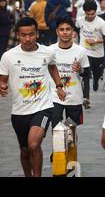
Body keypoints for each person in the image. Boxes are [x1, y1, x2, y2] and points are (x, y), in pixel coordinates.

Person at [0, 17, 66, 177]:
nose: (27, 39)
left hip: (43, 107)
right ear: (17, 35)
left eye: (31, 34)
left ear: (37, 33)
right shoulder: (8, 56)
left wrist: (58, 86)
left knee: (34, 144)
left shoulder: (48, 52)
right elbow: (2, 80)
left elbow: (52, 66)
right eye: (23, 35)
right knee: (24, 150)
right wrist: (2, 87)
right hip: (19, 111)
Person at [50, 17, 90, 126]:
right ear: (57, 31)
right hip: (54, 97)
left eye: (68, 29)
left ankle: (70, 142)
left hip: (74, 97)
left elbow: (87, 74)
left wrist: (80, 69)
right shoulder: (50, 50)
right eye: (61, 29)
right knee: (56, 129)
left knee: (70, 132)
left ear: (73, 31)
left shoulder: (81, 51)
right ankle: (59, 143)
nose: (65, 33)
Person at [75, 0, 105, 107]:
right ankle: (86, 98)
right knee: (85, 75)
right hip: (84, 52)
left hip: (98, 54)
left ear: (96, 12)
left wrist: (95, 41)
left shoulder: (101, 23)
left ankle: (96, 79)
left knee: (97, 73)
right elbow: (75, 29)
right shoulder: (80, 21)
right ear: (84, 13)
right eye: (88, 14)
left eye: (92, 14)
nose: (90, 16)